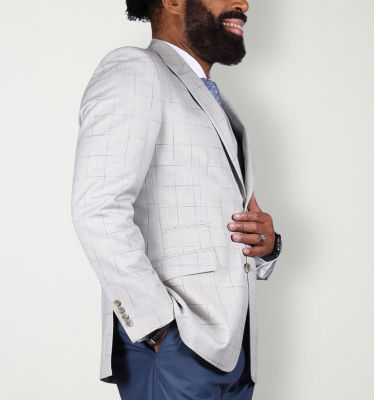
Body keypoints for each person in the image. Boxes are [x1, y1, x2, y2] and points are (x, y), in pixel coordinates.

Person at [71, 0, 282, 398]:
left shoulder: (211, 98)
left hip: (232, 353)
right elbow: (97, 208)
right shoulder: (135, 70)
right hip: (176, 350)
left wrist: (267, 246)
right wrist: (158, 330)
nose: (243, 3)